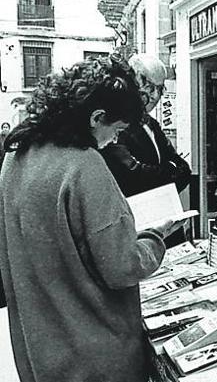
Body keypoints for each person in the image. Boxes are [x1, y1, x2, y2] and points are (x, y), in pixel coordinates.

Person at [0, 55, 183, 382]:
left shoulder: (16, 155)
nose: (115, 140)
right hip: (96, 352)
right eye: (117, 129)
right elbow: (122, 265)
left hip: (40, 346)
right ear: (97, 117)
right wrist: (155, 237)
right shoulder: (84, 166)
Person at [100, 53, 191, 246]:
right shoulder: (115, 126)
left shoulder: (153, 124)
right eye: (149, 87)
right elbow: (133, 176)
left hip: (170, 229)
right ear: (132, 84)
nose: (155, 96)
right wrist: (171, 169)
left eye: (160, 88)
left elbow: (185, 171)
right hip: (138, 231)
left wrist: (161, 173)